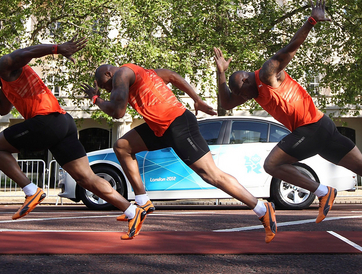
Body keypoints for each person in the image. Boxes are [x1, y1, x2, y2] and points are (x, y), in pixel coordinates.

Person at [213, 0, 362, 232]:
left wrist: (311, 20)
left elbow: (290, 48)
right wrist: (221, 73)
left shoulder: (266, 73)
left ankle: (324, 192)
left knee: (272, 164)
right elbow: (227, 102)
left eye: (242, 93)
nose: (243, 98)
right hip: (322, 126)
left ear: (245, 80)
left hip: (310, 128)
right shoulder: (250, 89)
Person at [0, 38, 149, 240]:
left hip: (46, 121)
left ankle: (31, 190)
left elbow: (28, 52)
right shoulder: (6, 84)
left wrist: (58, 49)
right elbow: (2, 109)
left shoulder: (5, 65)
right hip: (63, 122)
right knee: (86, 178)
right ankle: (132, 211)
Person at [82, 63, 277, 243]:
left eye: (105, 85)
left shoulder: (121, 74)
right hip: (159, 127)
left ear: (109, 73)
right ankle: (143, 202)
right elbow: (172, 76)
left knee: (211, 175)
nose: (109, 91)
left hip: (177, 125)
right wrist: (197, 99)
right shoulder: (143, 73)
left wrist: (96, 99)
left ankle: (261, 208)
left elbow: (118, 112)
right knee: (122, 146)